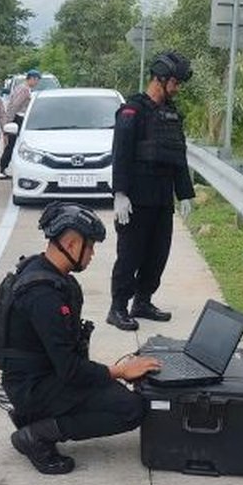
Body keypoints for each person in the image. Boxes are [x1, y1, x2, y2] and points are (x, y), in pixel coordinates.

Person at [0, 202, 161, 475]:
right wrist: (119, 371)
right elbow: (71, 370)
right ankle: (36, 435)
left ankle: (34, 418)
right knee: (131, 409)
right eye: (90, 246)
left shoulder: (41, 270)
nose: (92, 253)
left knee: (111, 391)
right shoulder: (44, 296)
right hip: (34, 388)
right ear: (72, 244)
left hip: (37, 378)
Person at [106, 51, 195, 332]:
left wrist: (185, 194)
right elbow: (120, 154)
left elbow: (178, 155)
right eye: (175, 82)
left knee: (158, 255)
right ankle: (118, 307)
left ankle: (142, 302)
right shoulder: (132, 111)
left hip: (162, 198)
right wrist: (120, 193)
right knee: (130, 256)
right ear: (160, 79)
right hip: (135, 200)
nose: (177, 88)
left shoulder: (171, 114)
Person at [0, 68, 40, 180]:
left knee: (13, 145)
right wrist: (9, 121)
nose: (37, 83)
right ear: (31, 79)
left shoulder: (22, 88)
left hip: (18, 118)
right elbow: (15, 105)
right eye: (36, 80)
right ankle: (2, 168)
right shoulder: (24, 90)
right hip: (18, 118)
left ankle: (5, 168)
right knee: (12, 144)